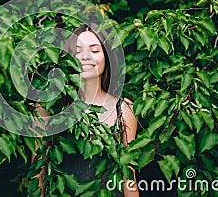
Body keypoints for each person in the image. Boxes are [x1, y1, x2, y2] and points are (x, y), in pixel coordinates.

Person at [31, 24, 139, 197]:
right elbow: (38, 171)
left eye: (95, 51)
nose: (86, 57)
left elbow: (129, 177)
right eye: (78, 51)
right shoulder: (50, 108)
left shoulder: (124, 109)